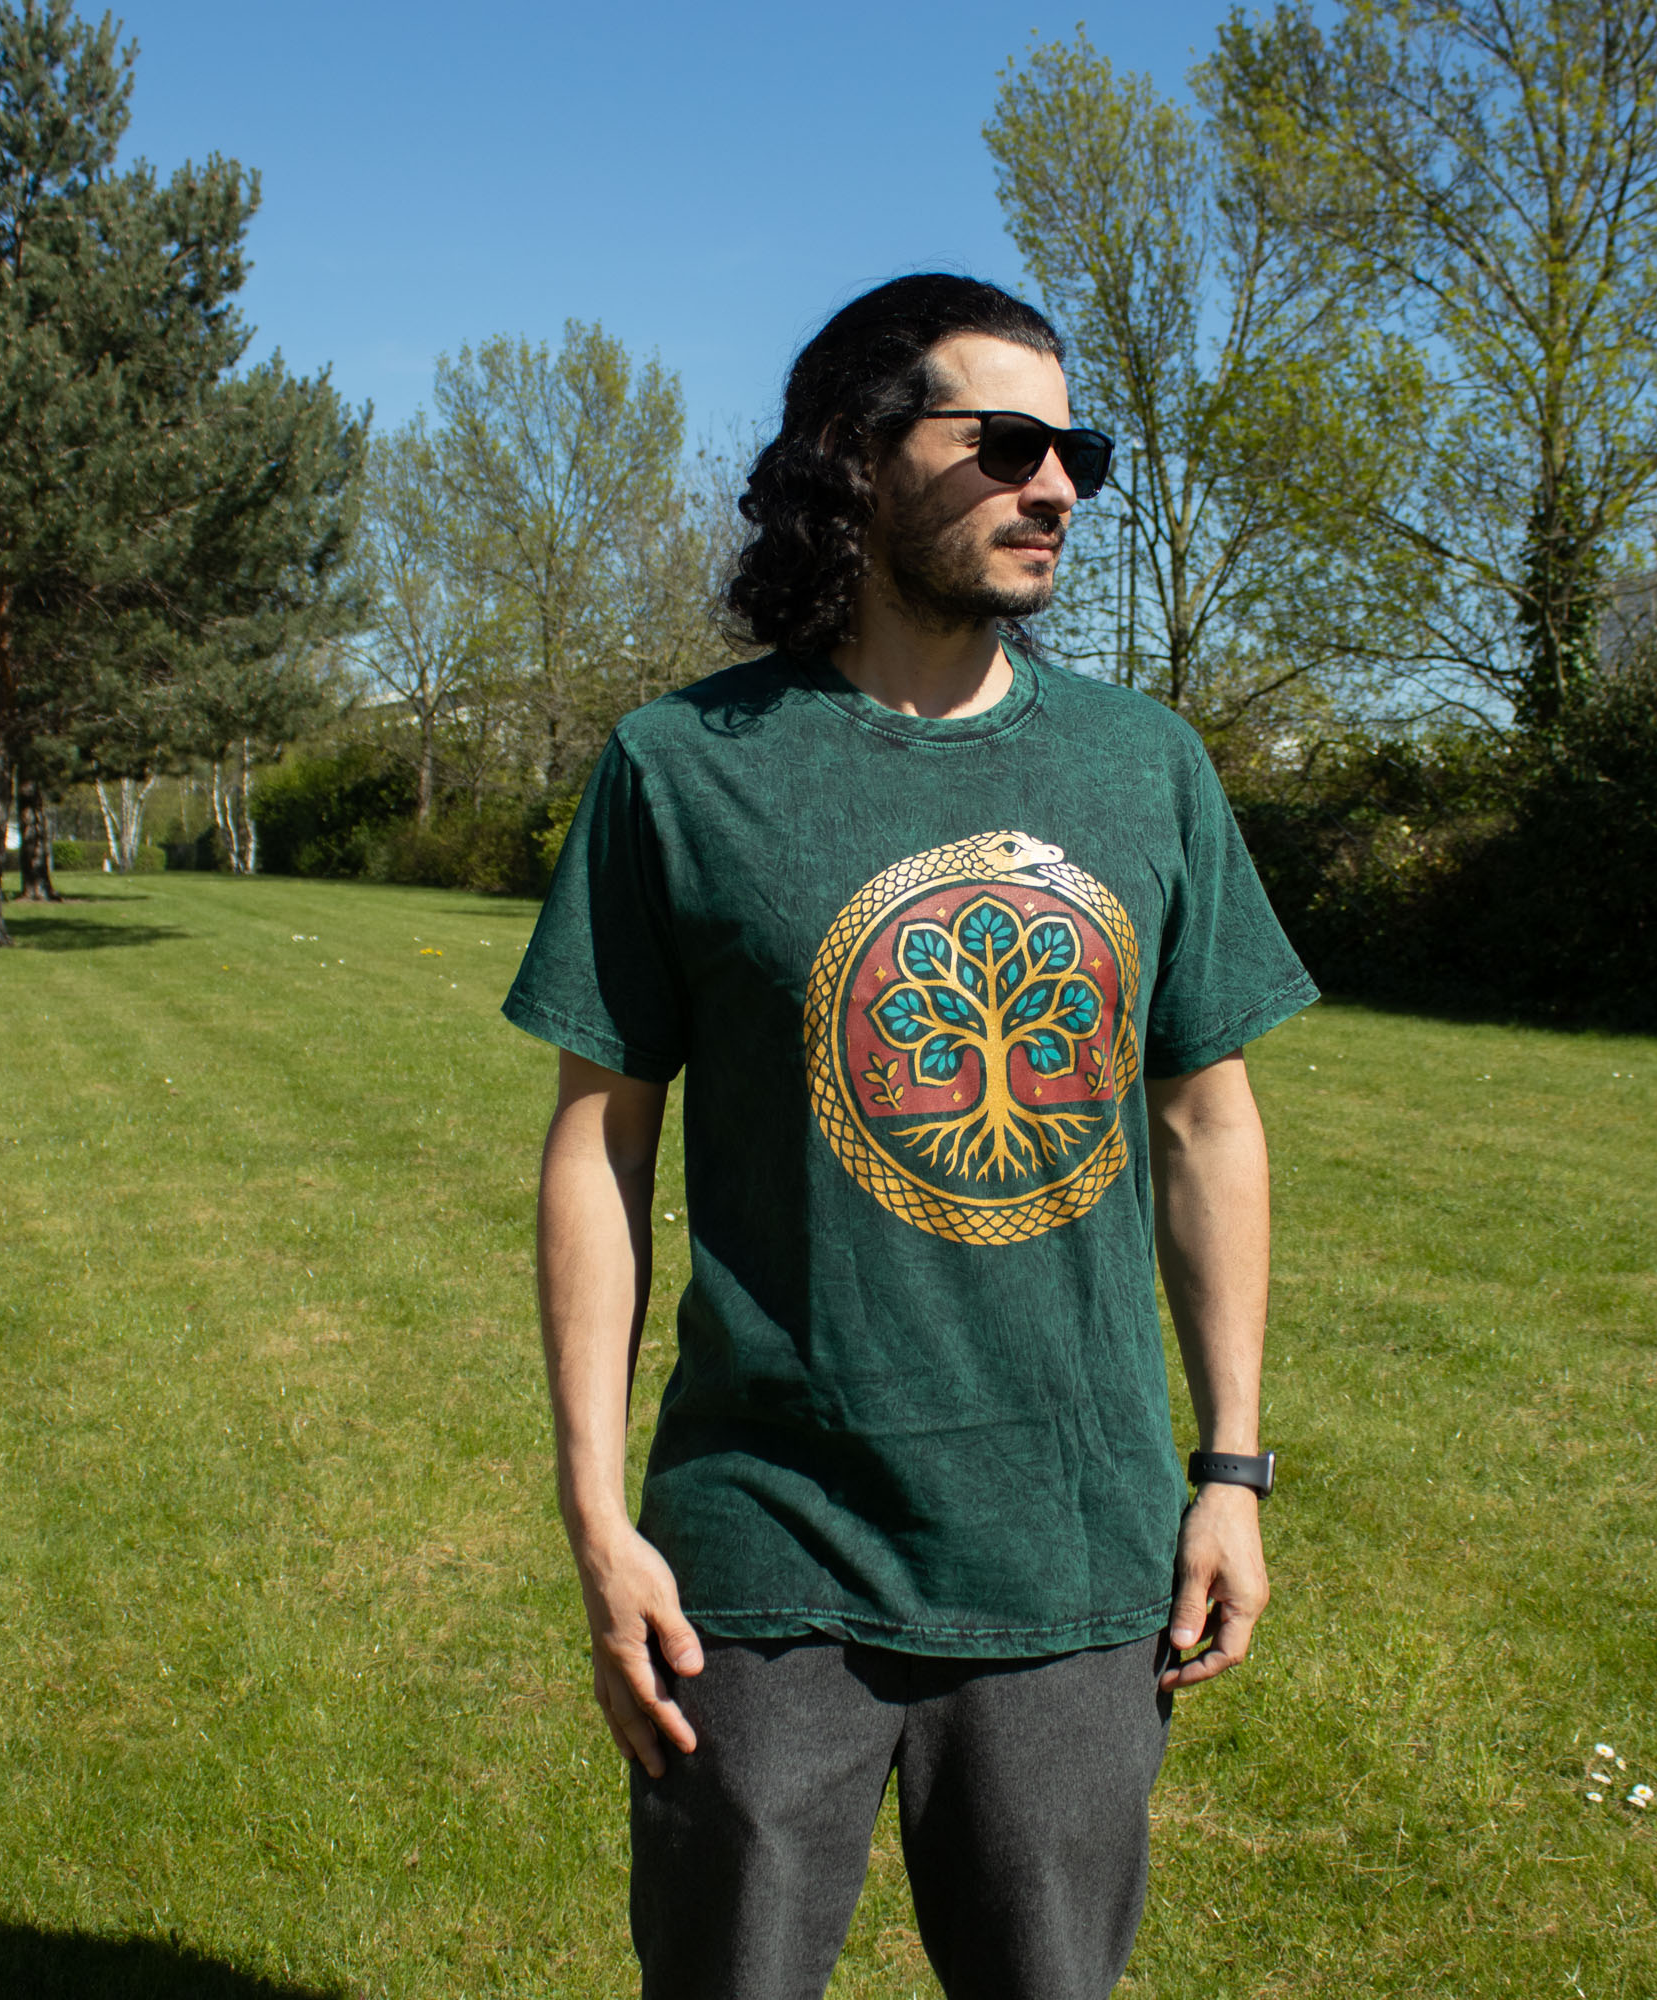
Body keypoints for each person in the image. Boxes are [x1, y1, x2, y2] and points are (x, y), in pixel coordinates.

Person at [502, 272, 1316, 2000]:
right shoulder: (682, 765)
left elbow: (1207, 1123)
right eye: (1006, 443)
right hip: (758, 1556)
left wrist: (1233, 1472)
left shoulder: (1145, 765)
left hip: (1074, 1548)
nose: (1057, 485)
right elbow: (599, 1144)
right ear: (857, 457)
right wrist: (592, 1511)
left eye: (1079, 452)